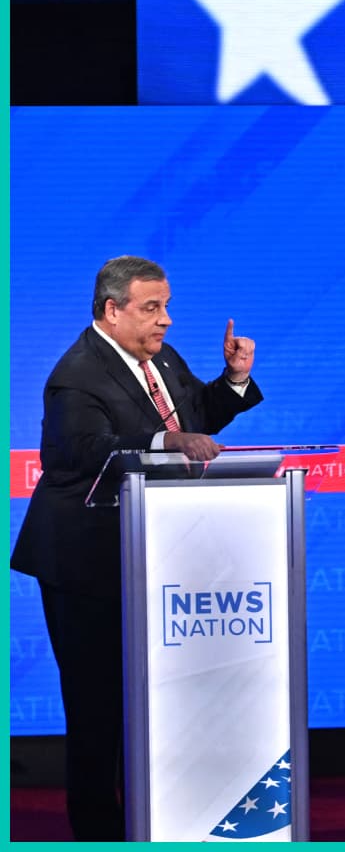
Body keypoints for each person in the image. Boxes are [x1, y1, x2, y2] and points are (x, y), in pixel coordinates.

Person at [10, 256, 262, 842]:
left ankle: (158, 819)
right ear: (112, 310)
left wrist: (232, 380)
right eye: (152, 308)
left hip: (157, 553)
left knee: (156, 700)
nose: (166, 320)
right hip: (86, 562)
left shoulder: (160, 359)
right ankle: (99, 832)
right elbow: (82, 450)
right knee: (97, 705)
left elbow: (195, 419)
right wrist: (166, 439)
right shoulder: (76, 375)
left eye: (167, 306)